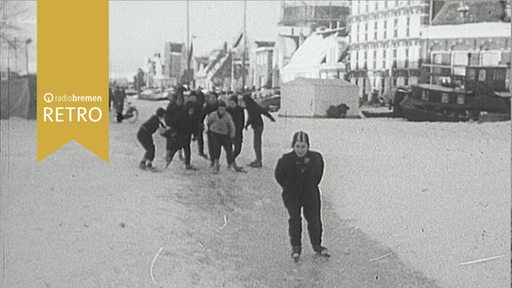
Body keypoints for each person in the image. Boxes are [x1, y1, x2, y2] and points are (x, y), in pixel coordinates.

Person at [274, 131, 329, 261]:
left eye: (303, 146)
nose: (300, 150)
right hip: (292, 193)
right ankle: (296, 247)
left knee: (314, 218)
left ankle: (317, 244)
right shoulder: (286, 160)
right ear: (293, 146)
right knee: (295, 218)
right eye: (297, 146)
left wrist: (311, 185)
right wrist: (288, 187)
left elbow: (319, 173)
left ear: (308, 147)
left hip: (310, 192)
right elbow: (279, 175)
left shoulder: (316, 158)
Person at [243, 93, 275, 168]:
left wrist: (247, 124)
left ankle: (259, 161)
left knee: (256, 144)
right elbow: (263, 111)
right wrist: (271, 118)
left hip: (257, 126)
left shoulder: (250, 107)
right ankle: (258, 159)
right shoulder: (254, 105)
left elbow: (251, 117)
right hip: (259, 125)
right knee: (257, 143)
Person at [164, 102, 198, 170]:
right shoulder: (181, 114)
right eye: (190, 110)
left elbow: (194, 126)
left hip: (187, 135)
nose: (191, 112)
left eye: (192, 110)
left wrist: (195, 134)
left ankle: (187, 164)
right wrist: (174, 132)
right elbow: (175, 123)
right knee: (175, 148)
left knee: (187, 149)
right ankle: (168, 161)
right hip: (180, 134)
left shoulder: (193, 116)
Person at [207, 100, 235, 174]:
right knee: (216, 148)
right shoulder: (213, 114)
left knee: (228, 150)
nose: (222, 111)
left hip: (224, 134)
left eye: (223, 109)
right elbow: (208, 121)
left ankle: (229, 164)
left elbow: (231, 126)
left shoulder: (227, 116)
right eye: (220, 109)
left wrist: (232, 136)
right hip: (215, 133)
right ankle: (216, 164)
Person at [137, 107, 167, 172]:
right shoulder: (155, 120)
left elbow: (161, 126)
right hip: (144, 134)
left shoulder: (155, 119)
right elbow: (161, 129)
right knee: (150, 149)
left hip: (143, 133)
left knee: (150, 148)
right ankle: (146, 164)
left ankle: (145, 163)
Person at [226, 94, 246, 172]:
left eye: (233, 103)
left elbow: (242, 120)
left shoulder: (240, 109)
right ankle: (232, 164)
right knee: (229, 149)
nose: (231, 105)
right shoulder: (227, 110)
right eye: (230, 103)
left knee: (238, 149)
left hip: (238, 132)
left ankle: (231, 160)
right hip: (229, 132)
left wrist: (240, 128)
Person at [201, 93, 219, 166]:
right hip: (210, 126)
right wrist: (201, 123)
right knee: (211, 144)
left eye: (213, 97)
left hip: (219, 127)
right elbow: (203, 115)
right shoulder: (207, 106)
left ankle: (216, 160)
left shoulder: (219, 105)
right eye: (210, 98)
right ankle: (212, 160)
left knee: (217, 145)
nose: (212, 99)